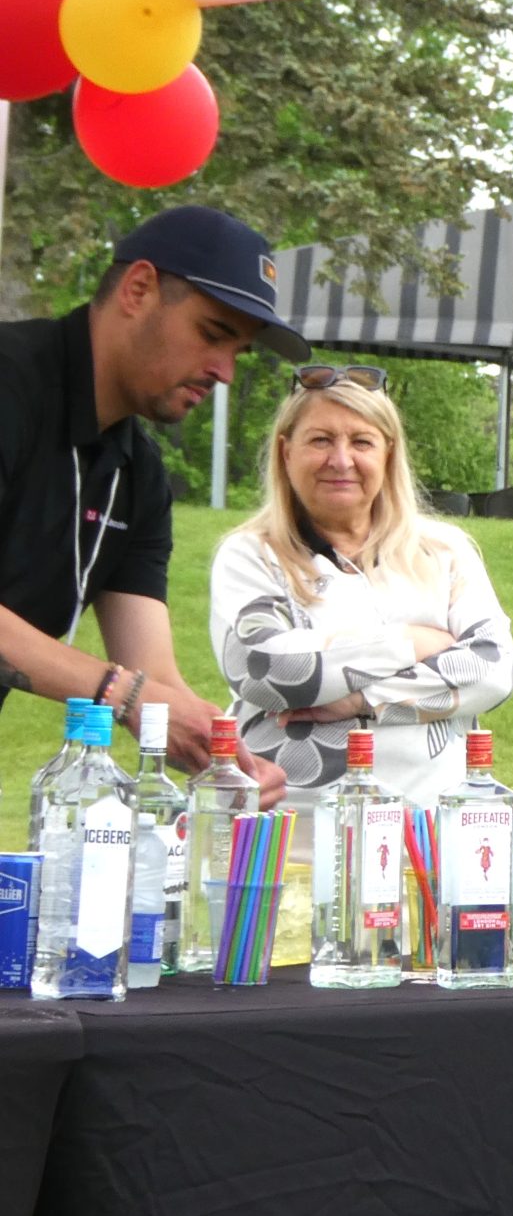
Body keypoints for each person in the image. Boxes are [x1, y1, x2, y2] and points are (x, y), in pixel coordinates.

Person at [0, 206, 289, 799]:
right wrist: (124, 694)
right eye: (213, 333)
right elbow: (133, 689)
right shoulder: (9, 381)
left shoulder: (139, 475)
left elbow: (152, 676)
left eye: (239, 351)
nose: (225, 372)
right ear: (138, 289)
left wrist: (219, 751)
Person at [210, 367, 513, 808]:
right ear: (286, 452)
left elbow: (492, 669)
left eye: (361, 442)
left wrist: (363, 699)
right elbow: (265, 668)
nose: (341, 460)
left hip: (427, 828)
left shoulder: (444, 551)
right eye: (320, 440)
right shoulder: (251, 555)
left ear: (388, 453)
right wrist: (413, 642)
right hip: (290, 829)